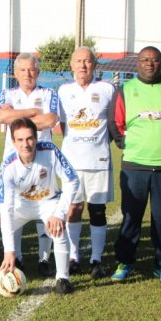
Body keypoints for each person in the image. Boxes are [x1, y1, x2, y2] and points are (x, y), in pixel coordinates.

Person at [107, 46, 161, 282]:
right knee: (131, 217)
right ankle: (125, 261)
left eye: (154, 60)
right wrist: (127, 144)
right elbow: (114, 122)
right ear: (138, 63)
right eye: (144, 59)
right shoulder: (125, 90)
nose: (149, 64)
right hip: (135, 166)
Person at [0, 118, 79, 295]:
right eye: (20, 140)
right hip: (20, 206)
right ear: (13, 142)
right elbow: (7, 210)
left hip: (48, 203)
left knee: (58, 228)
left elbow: (72, 180)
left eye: (30, 138)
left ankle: (63, 278)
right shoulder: (8, 167)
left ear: (36, 138)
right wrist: (9, 251)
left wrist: (59, 214)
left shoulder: (50, 151)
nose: (26, 144)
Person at [0, 52, 60, 276]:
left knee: (44, 205)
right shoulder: (7, 93)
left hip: (43, 161)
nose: (27, 74)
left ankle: (44, 259)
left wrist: (16, 116)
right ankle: (18, 258)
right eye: (22, 70)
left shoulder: (49, 93)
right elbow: (1, 117)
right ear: (15, 73)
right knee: (14, 209)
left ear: (38, 72)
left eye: (32, 69)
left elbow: (50, 120)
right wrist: (32, 112)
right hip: (13, 162)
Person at [58, 46, 115, 278]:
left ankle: (96, 259)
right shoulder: (63, 91)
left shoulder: (107, 89)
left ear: (94, 64)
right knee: (73, 209)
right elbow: (63, 126)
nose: (83, 65)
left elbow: (113, 123)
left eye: (88, 61)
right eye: (78, 61)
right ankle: (73, 257)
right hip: (71, 161)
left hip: (98, 160)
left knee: (97, 209)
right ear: (72, 65)